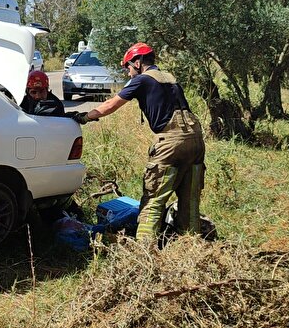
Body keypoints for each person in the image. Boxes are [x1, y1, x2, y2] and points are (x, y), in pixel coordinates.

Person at [76, 42, 205, 244]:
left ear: (138, 62)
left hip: (171, 141)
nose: (128, 73)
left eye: (128, 67)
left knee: (153, 201)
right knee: (190, 201)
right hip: (196, 139)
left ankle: (145, 252)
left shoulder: (142, 80)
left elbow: (111, 104)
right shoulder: (170, 78)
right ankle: (192, 246)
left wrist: (84, 117)